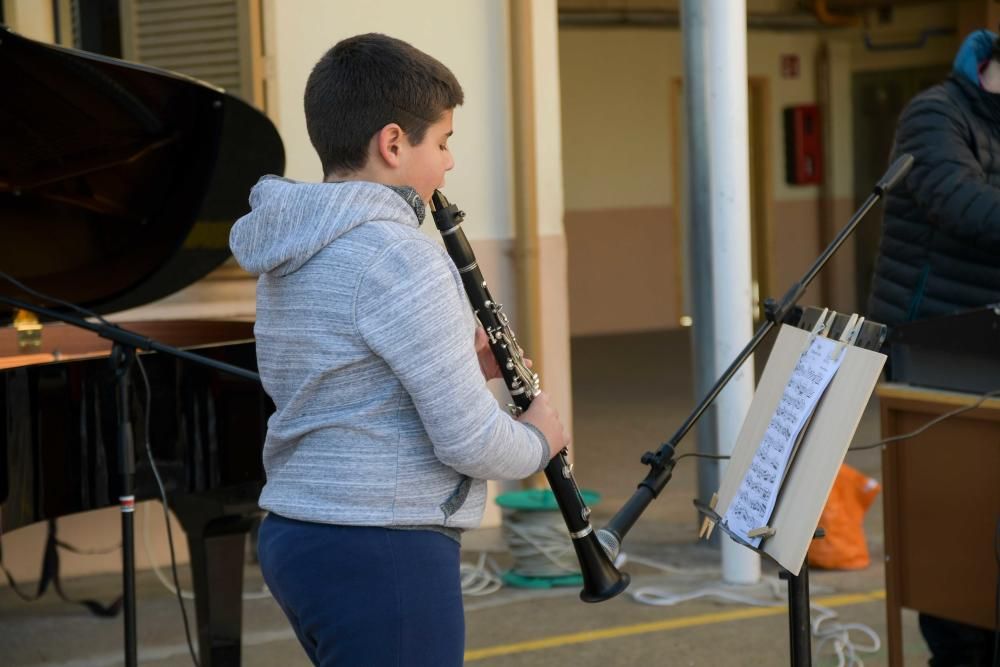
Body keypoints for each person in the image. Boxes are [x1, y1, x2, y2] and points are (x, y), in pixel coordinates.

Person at [229, 33, 568, 667]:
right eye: (441, 142)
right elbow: (467, 441)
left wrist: (457, 366)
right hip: (380, 547)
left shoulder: (293, 247)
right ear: (392, 144)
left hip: (301, 534)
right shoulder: (399, 255)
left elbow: (345, 378)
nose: (448, 162)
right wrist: (539, 438)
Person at [866, 28, 1000, 667]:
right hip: (932, 345)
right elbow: (966, 207)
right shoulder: (935, 114)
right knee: (950, 518)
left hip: (989, 343)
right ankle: (958, 650)